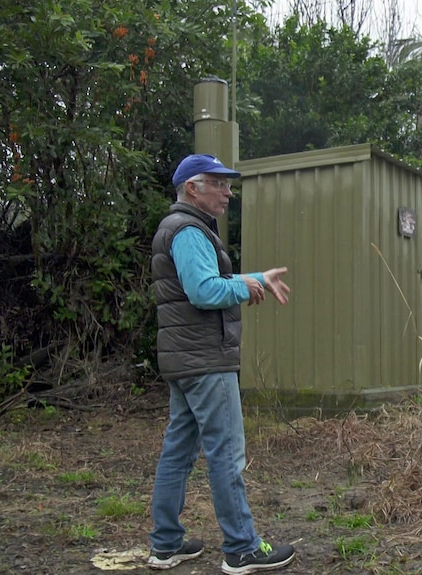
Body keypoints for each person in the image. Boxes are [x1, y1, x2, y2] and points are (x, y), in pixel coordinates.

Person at [147, 153, 296, 573]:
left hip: (185, 360)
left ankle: (165, 545)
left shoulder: (178, 228)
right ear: (193, 188)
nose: (229, 192)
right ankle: (242, 547)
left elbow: (204, 284)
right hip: (206, 361)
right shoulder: (189, 230)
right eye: (219, 184)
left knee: (178, 451)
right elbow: (203, 291)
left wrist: (254, 278)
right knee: (227, 453)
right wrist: (244, 286)